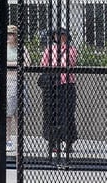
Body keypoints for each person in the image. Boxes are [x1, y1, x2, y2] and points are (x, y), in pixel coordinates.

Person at [40, 27, 78, 158]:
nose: (59, 37)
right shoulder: (49, 49)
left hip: (66, 85)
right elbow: (43, 65)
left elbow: (69, 63)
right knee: (51, 113)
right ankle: (53, 142)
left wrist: (55, 64)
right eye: (57, 35)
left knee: (67, 114)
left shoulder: (71, 49)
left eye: (62, 35)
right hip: (51, 86)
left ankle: (68, 142)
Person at [4, 25, 30, 151]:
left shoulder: (21, 48)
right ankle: (8, 140)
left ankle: (19, 140)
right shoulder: (4, 48)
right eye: (7, 33)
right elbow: (2, 63)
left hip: (20, 81)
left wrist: (12, 64)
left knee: (18, 114)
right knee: (8, 113)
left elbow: (27, 63)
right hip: (8, 81)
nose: (9, 36)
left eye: (11, 34)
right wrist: (17, 63)